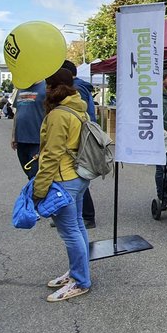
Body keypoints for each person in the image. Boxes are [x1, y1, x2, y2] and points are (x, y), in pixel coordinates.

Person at [35, 69, 91, 302]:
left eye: (47, 85)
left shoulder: (59, 115)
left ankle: (80, 280)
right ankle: (78, 272)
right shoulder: (79, 109)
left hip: (63, 179)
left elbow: (51, 154)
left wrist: (39, 189)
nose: (44, 90)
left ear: (52, 88)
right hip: (78, 176)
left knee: (69, 232)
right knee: (77, 226)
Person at [61, 60, 97, 228]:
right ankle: (76, 215)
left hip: (81, 138)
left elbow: (78, 114)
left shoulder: (78, 88)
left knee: (79, 177)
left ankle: (87, 216)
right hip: (81, 137)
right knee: (78, 179)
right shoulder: (79, 86)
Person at [11, 81, 46, 180]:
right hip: (21, 139)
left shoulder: (45, 87)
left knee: (35, 175)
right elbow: (17, 113)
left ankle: (37, 194)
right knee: (29, 173)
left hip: (37, 140)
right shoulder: (21, 88)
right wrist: (14, 135)